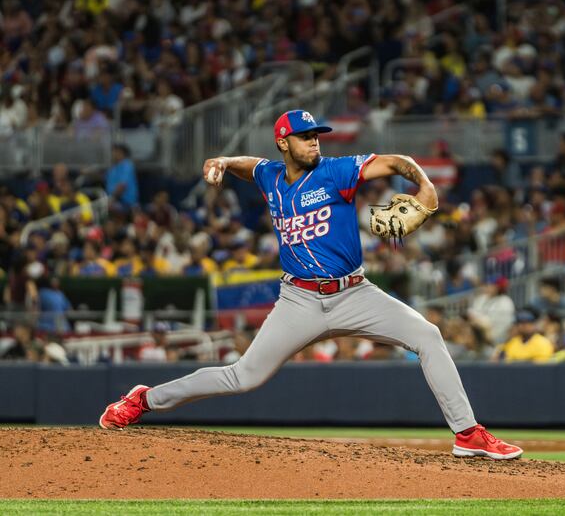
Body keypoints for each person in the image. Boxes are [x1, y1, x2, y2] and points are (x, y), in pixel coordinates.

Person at [99, 109, 522, 460]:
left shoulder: (336, 172)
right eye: (304, 137)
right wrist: (225, 163)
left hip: (355, 293)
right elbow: (254, 168)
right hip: (298, 299)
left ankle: (467, 434)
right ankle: (144, 399)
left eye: (316, 136)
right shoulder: (270, 176)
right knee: (243, 376)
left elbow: (394, 162)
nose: (314, 142)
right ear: (284, 143)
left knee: (428, 335)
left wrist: (425, 187)